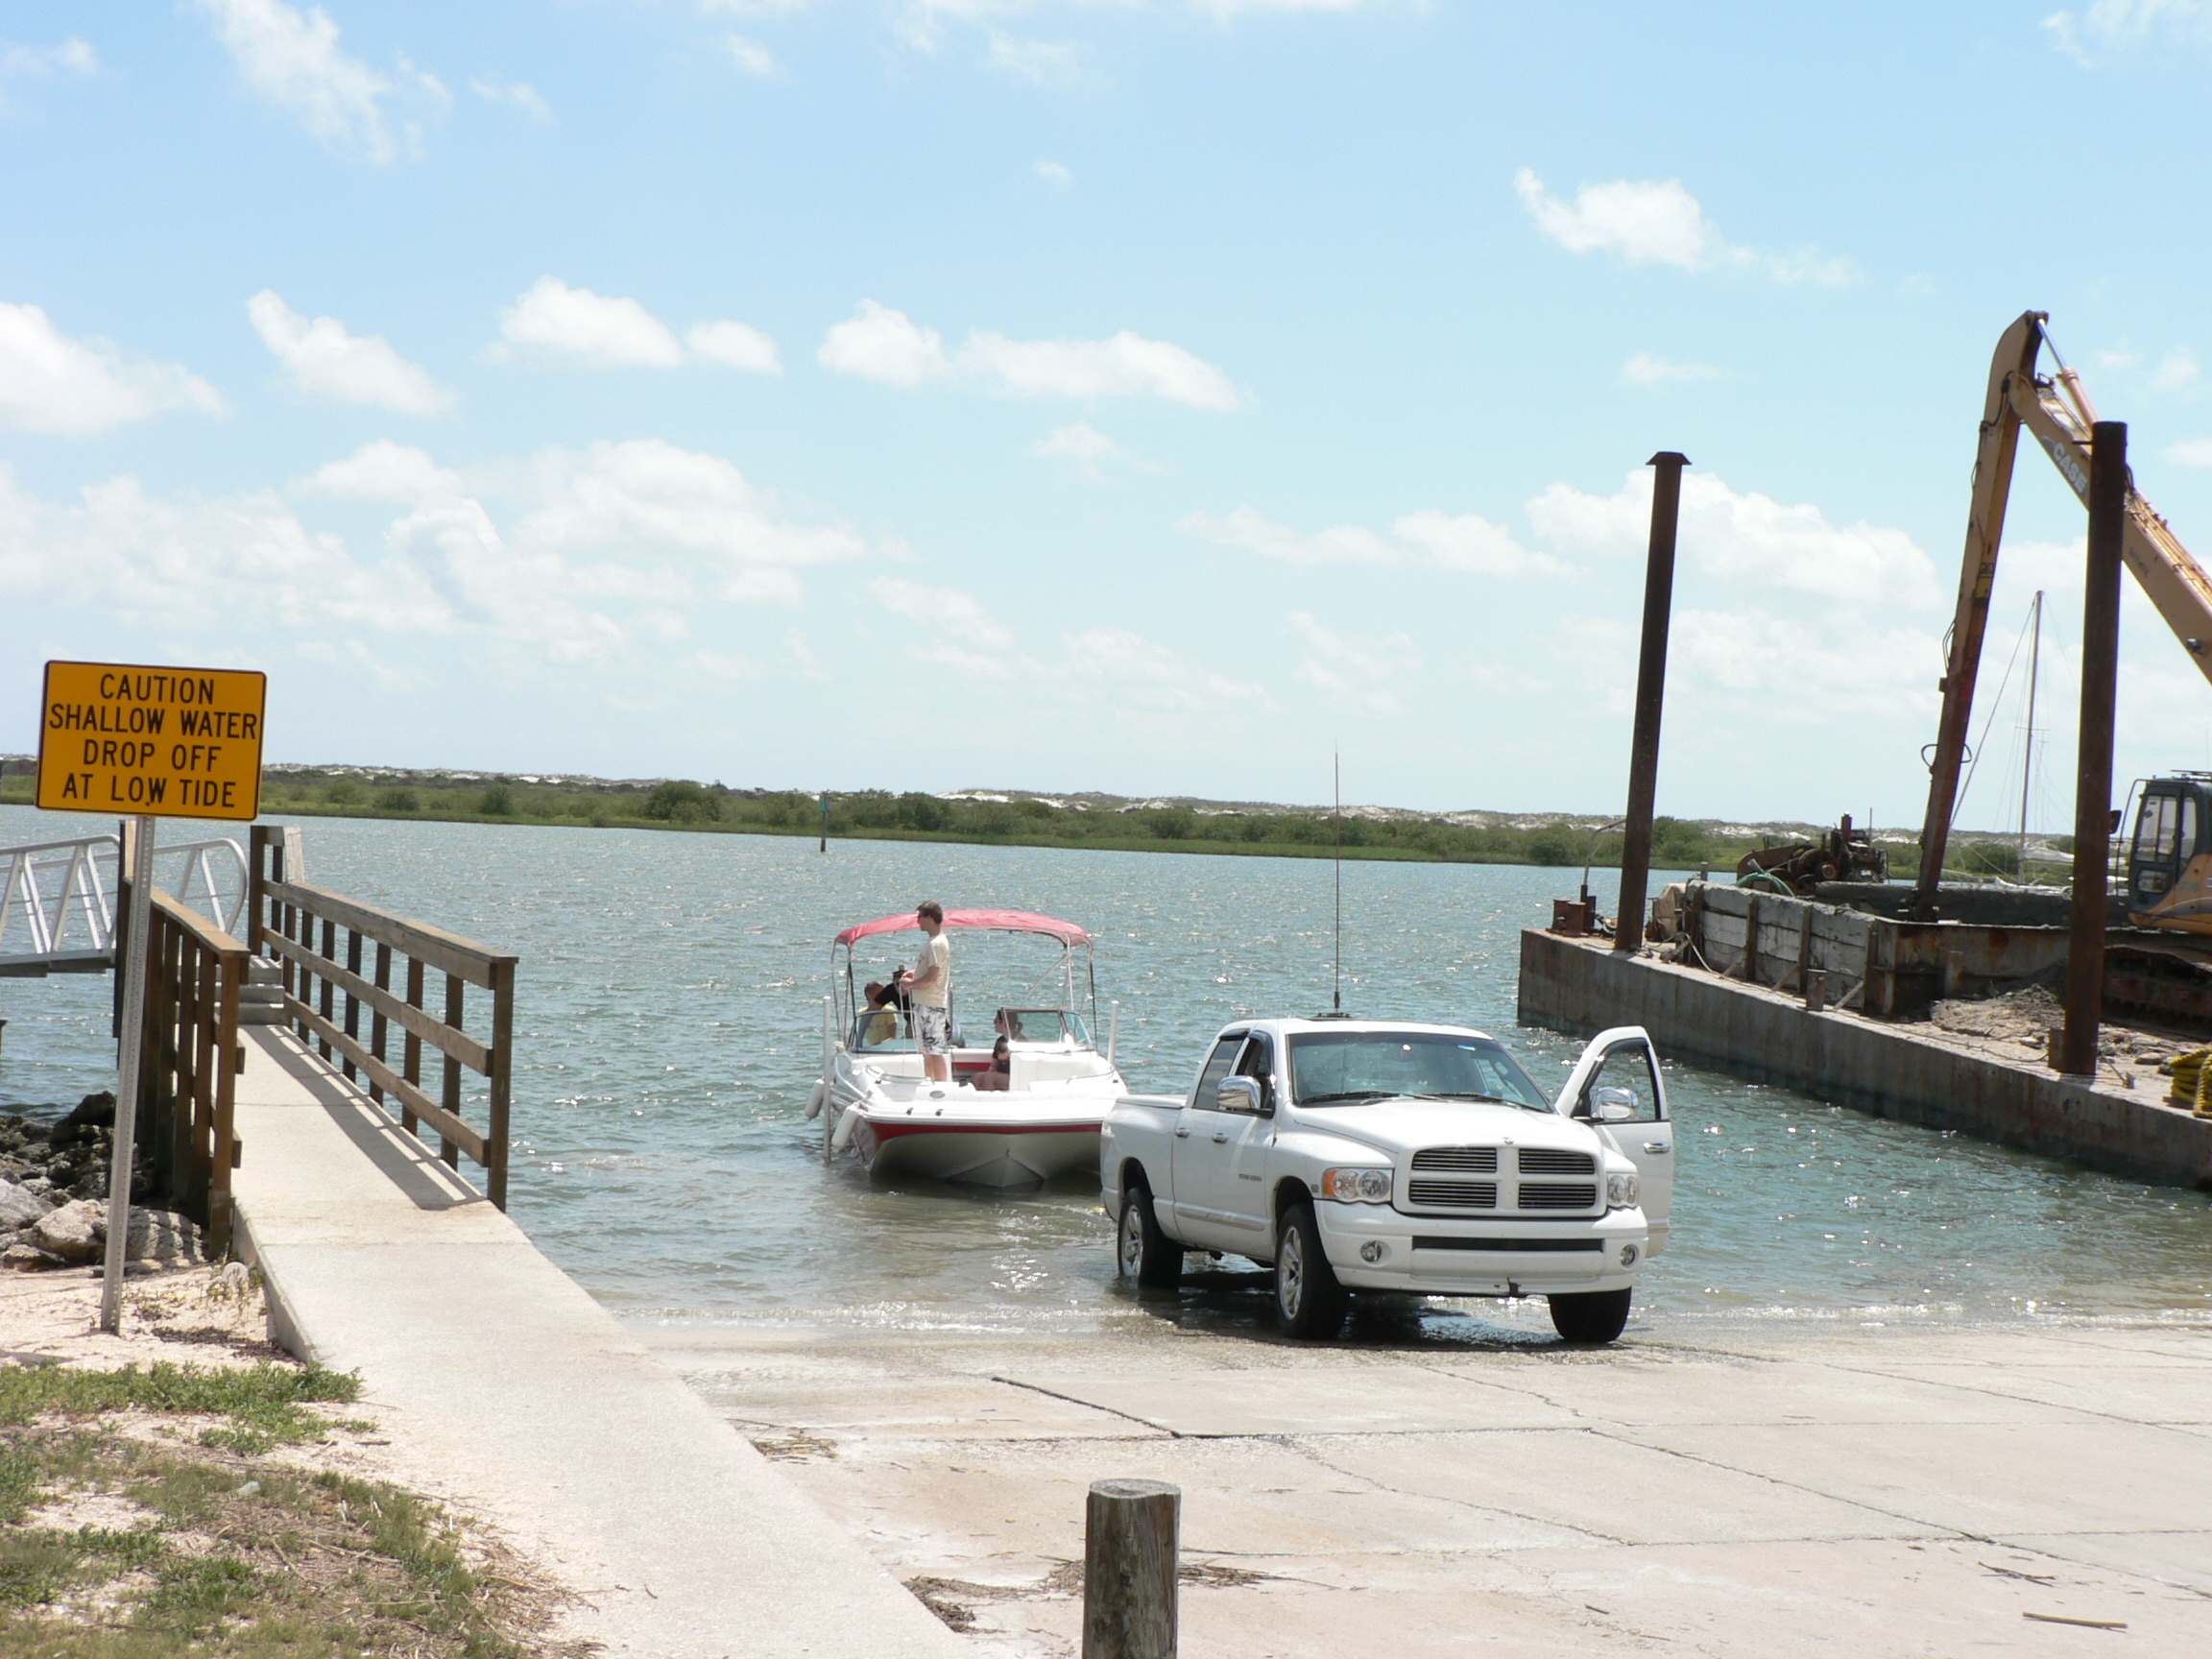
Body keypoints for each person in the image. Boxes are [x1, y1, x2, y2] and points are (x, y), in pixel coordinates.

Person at [900, 901, 952, 1082]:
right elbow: (931, 971)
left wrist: (909, 984)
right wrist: (915, 974)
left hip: (932, 1004)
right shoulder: (932, 942)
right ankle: (930, 1083)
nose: (917, 921)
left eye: (920, 917)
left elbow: (932, 978)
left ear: (929, 917)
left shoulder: (936, 944)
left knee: (935, 1051)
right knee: (925, 1051)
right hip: (923, 1003)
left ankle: (941, 1087)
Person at [859, 981, 902, 1047]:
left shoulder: (889, 1011)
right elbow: (860, 1035)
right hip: (870, 1049)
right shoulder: (863, 1013)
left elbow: (893, 1036)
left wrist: (879, 1045)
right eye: (877, 994)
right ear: (868, 994)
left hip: (887, 1047)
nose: (881, 997)